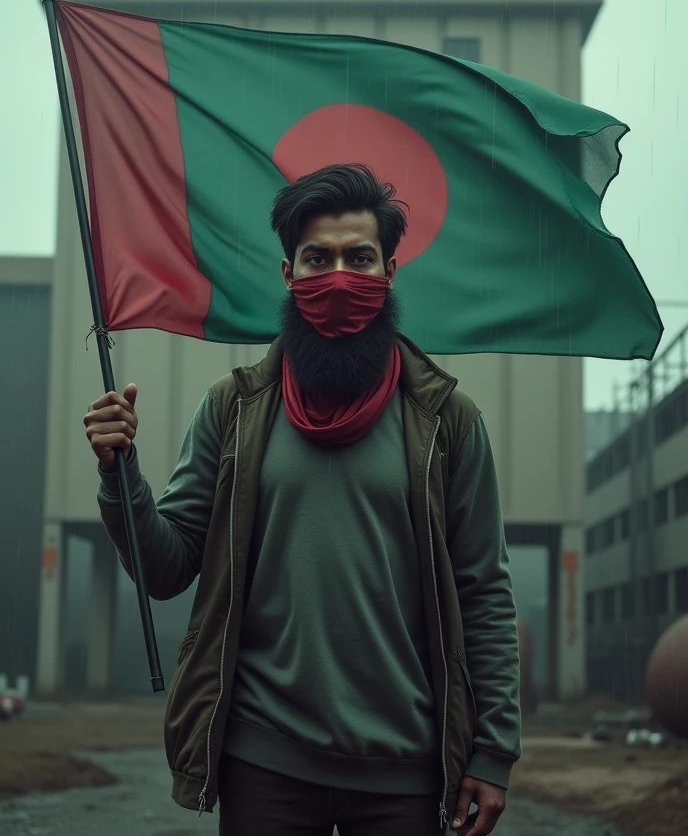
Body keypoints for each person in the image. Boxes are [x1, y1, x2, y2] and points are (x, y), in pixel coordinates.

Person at [84, 164, 521, 836]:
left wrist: (491, 751)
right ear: (288, 274)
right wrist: (121, 474)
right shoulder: (234, 411)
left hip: (404, 769)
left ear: (390, 272)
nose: (339, 276)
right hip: (264, 763)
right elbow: (167, 567)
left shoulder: (447, 422)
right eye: (318, 258)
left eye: (359, 258)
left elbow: (484, 592)